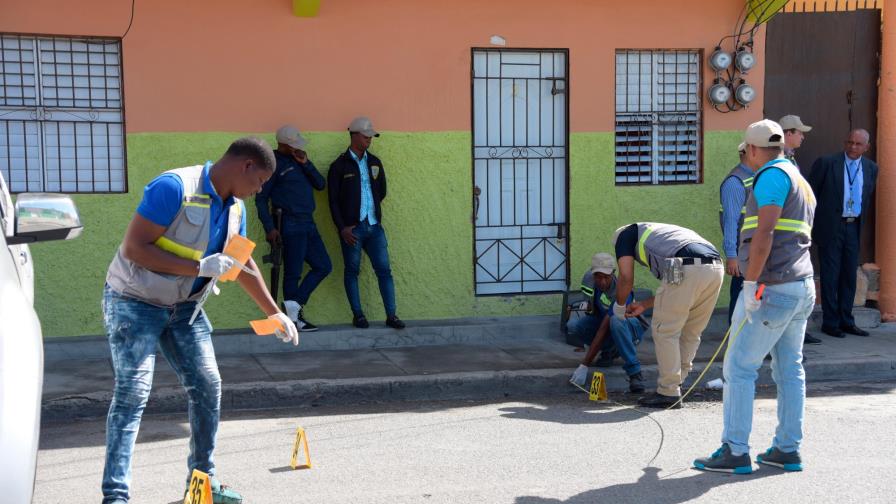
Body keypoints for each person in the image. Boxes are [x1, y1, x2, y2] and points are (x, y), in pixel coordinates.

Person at [100, 137, 299, 504]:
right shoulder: (174, 187)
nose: (259, 192)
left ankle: (202, 486)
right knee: (132, 395)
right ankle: (115, 497)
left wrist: (275, 312)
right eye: (259, 183)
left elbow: (242, 264)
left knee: (208, 386)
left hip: (184, 310)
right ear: (246, 167)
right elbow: (134, 247)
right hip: (135, 302)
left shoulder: (236, 208)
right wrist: (198, 267)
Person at [694, 119, 816, 474]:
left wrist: (751, 283)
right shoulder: (797, 177)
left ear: (750, 149)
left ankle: (734, 450)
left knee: (739, 367)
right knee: (790, 368)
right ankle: (787, 449)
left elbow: (764, 233)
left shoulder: (772, 177)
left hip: (772, 286)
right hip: (800, 284)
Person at [612, 222, 724, 408]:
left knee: (665, 330)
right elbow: (675, 288)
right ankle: (676, 383)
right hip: (715, 267)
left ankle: (668, 391)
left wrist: (619, 308)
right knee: (691, 331)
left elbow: (625, 277)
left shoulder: (624, 235)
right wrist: (644, 305)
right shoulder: (665, 235)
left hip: (683, 265)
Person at [328, 116, 404, 329]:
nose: (369, 139)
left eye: (371, 136)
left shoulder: (375, 162)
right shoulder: (339, 166)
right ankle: (358, 315)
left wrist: (372, 213)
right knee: (352, 271)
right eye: (365, 136)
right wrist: (342, 227)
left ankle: (391, 315)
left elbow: (382, 191)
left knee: (384, 270)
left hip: (374, 227)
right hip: (353, 229)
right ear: (353, 135)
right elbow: (332, 201)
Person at [255, 125, 332, 331]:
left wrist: (306, 163)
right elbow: (261, 199)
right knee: (293, 272)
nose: (297, 148)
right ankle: (293, 319)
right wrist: (270, 228)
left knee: (324, 265)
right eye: (293, 145)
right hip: (289, 223)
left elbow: (320, 184)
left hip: (308, 221)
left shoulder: (299, 159)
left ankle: (293, 305)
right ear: (283, 144)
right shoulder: (272, 164)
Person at [808, 129, 878, 338]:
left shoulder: (871, 168)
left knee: (849, 274)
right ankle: (830, 322)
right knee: (830, 275)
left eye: (858, 144)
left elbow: (867, 196)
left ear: (867, 147)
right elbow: (811, 195)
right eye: (850, 142)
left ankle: (847, 320)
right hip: (831, 225)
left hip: (853, 225)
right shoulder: (827, 163)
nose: (853, 147)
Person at [569, 253, 647, 393]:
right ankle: (609, 351)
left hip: (630, 328)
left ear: (613, 273)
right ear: (593, 274)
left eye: (606, 277)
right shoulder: (588, 280)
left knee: (615, 320)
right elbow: (592, 310)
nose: (602, 282)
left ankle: (635, 373)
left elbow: (604, 327)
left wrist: (584, 365)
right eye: (598, 276)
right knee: (575, 326)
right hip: (608, 324)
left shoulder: (621, 289)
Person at [780, 115, 822, 345]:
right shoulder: (779, 160)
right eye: (799, 132)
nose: (803, 136)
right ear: (788, 133)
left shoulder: (791, 159)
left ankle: (799, 333)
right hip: (786, 239)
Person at [719, 142, 753, 325]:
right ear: (749, 154)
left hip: (755, 253)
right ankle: (735, 346)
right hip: (743, 255)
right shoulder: (735, 182)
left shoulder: (758, 177)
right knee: (741, 304)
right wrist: (732, 256)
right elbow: (730, 221)